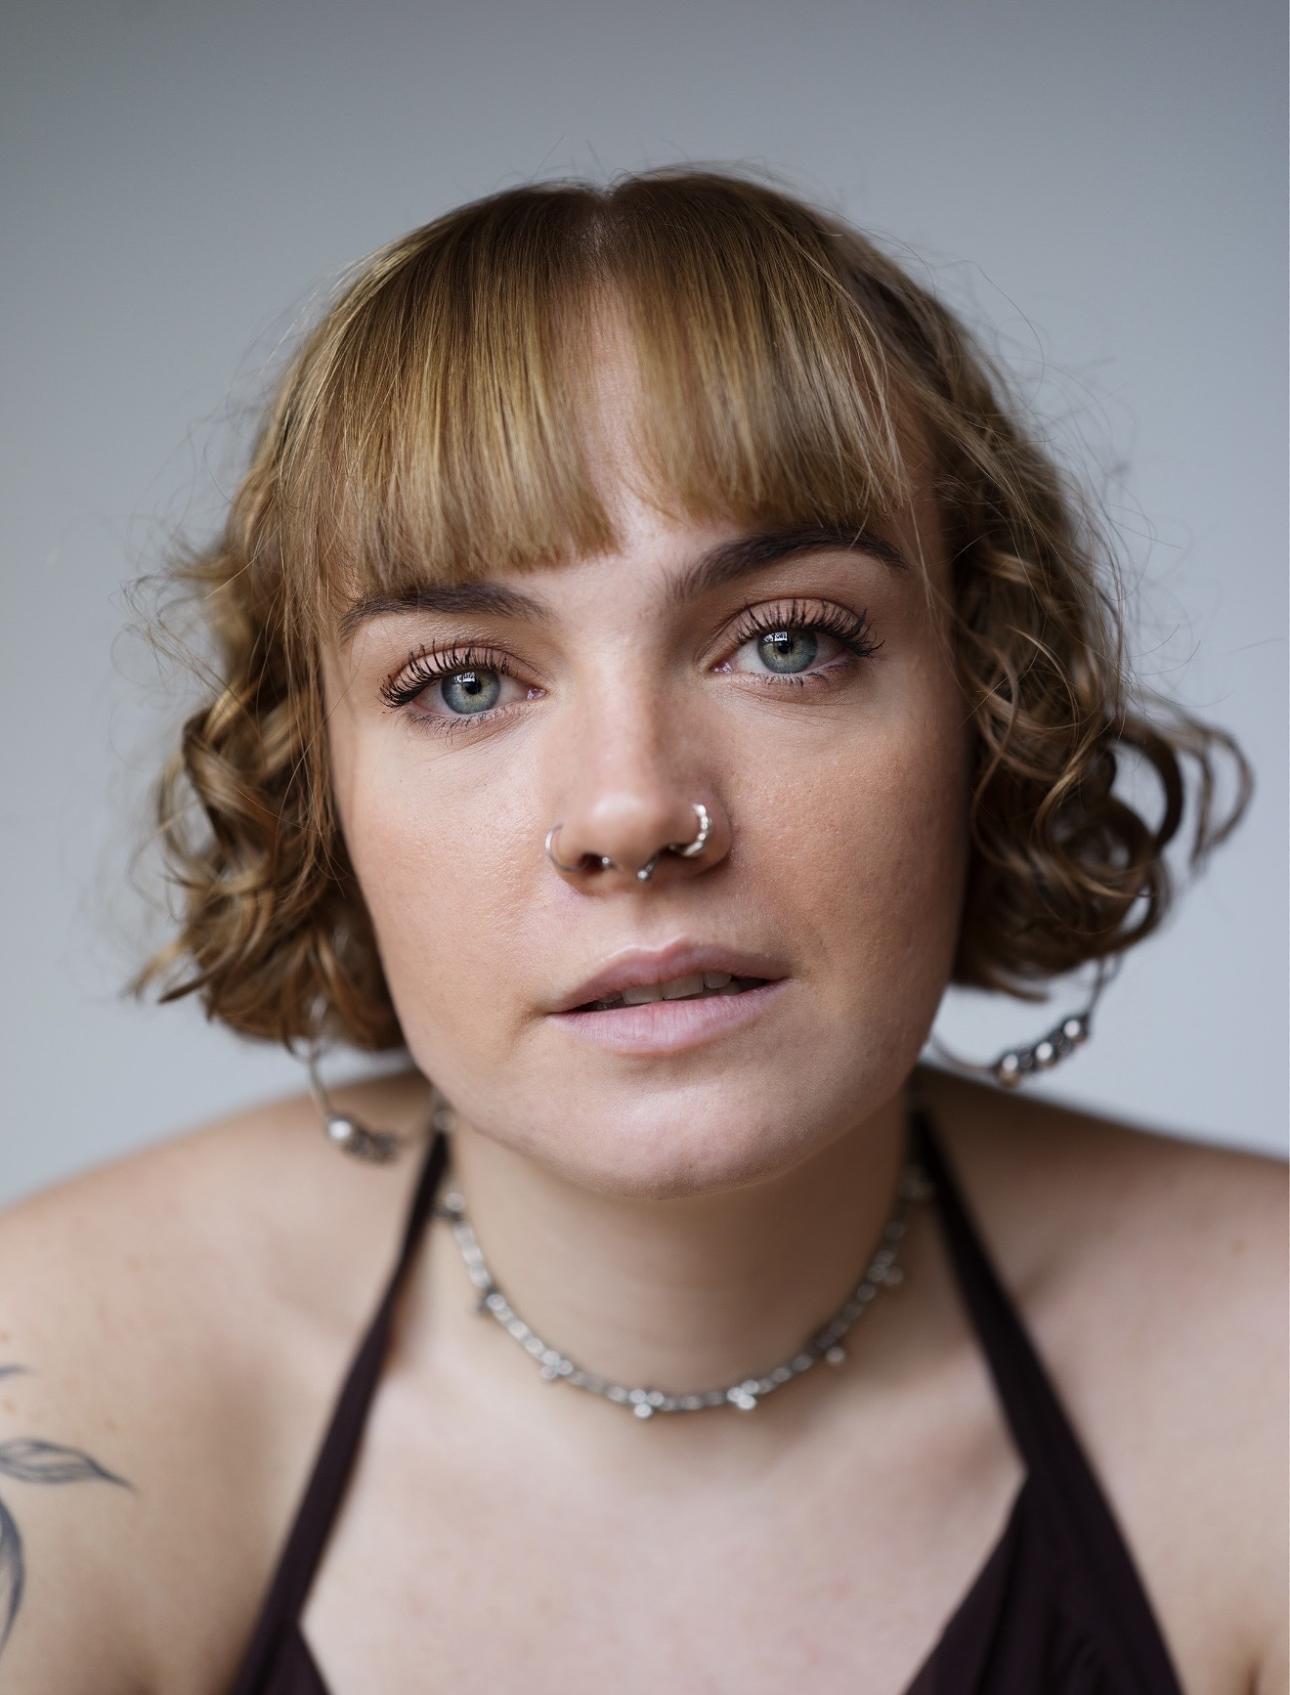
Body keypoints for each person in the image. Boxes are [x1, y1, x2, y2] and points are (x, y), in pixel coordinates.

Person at [0, 167, 1283, 1695]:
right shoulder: (64, 1380)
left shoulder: (1257, 1380)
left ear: (985, 711)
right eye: (464, 682)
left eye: (786, 643)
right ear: (313, 786)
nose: (631, 810)